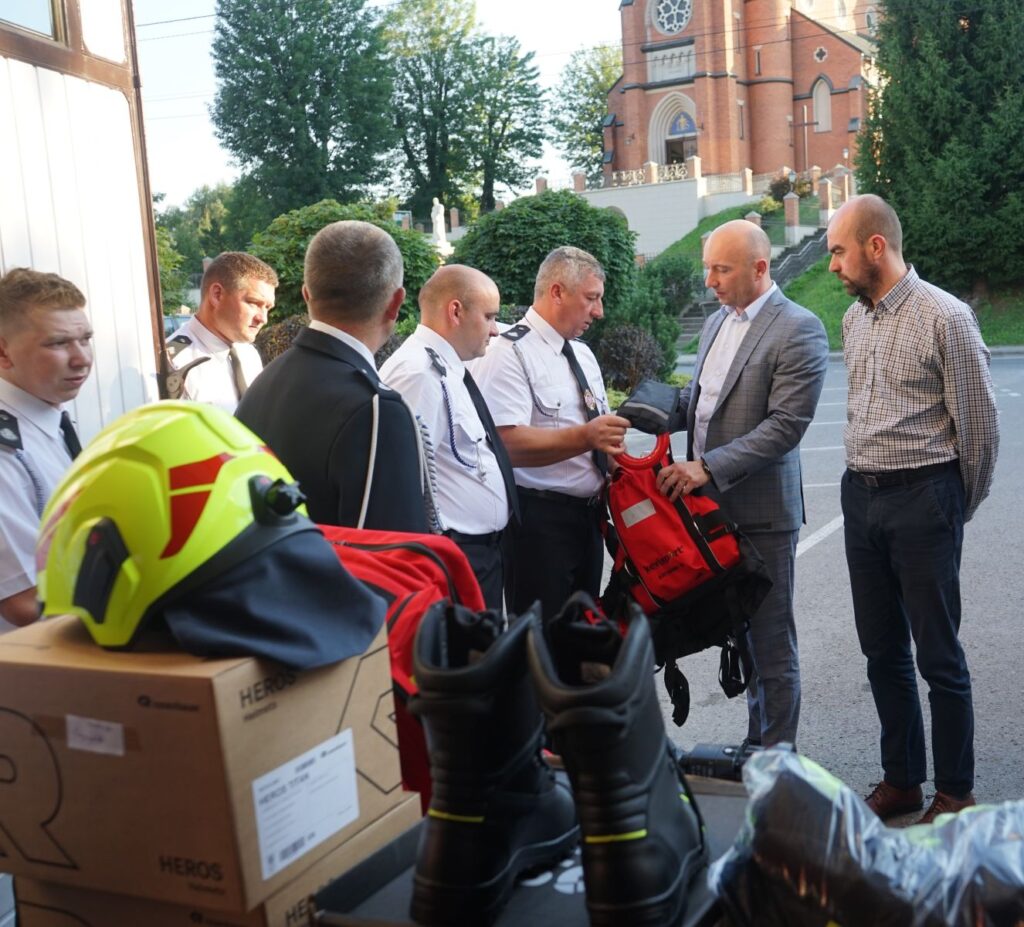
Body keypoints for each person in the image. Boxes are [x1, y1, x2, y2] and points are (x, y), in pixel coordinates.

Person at [827, 194, 999, 825]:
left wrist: (951, 507)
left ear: (876, 246)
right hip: (860, 496)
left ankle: (954, 793)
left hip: (924, 497)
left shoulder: (945, 316)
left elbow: (980, 429)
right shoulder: (854, 320)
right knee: (882, 651)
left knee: (938, 657)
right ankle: (901, 781)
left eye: (839, 251)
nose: (832, 266)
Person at [656, 219, 828, 749]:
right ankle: (757, 750)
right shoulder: (716, 323)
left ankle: (777, 764)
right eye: (707, 268)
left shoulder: (798, 327)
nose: (709, 280)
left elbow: (785, 426)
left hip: (761, 515)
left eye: (721, 269)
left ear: (760, 268)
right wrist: (646, 411)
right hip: (712, 514)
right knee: (743, 639)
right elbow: (701, 403)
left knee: (771, 644)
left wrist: (706, 468)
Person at [236, 221, 435, 533]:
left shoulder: (263, 383)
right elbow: (394, 554)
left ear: (307, 295)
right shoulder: (377, 409)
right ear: (395, 303)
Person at [473, 246, 630, 619]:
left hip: (589, 519)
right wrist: (586, 437)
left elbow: (598, 435)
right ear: (557, 291)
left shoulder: (582, 353)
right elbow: (505, 444)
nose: (599, 311)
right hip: (539, 524)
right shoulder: (508, 352)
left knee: (581, 636)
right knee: (540, 643)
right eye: (591, 298)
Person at [380, 265, 516, 609]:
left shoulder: (446, 366)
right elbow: (404, 483)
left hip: (478, 555)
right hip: (454, 558)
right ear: (455, 311)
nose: (496, 330)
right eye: (489, 316)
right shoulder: (418, 373)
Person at [0, 267, 93, 629]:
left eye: (85, 339)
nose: (81, 358)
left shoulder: (48, 420)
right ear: (3, 352)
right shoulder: (6, 451)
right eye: (58, 343)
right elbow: (25, 601)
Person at [164, 251, 278, 411]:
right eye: (253, 303)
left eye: (267, 308)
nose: (263, 318)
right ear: (217, 295)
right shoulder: (173, 362)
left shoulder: (248, 354)